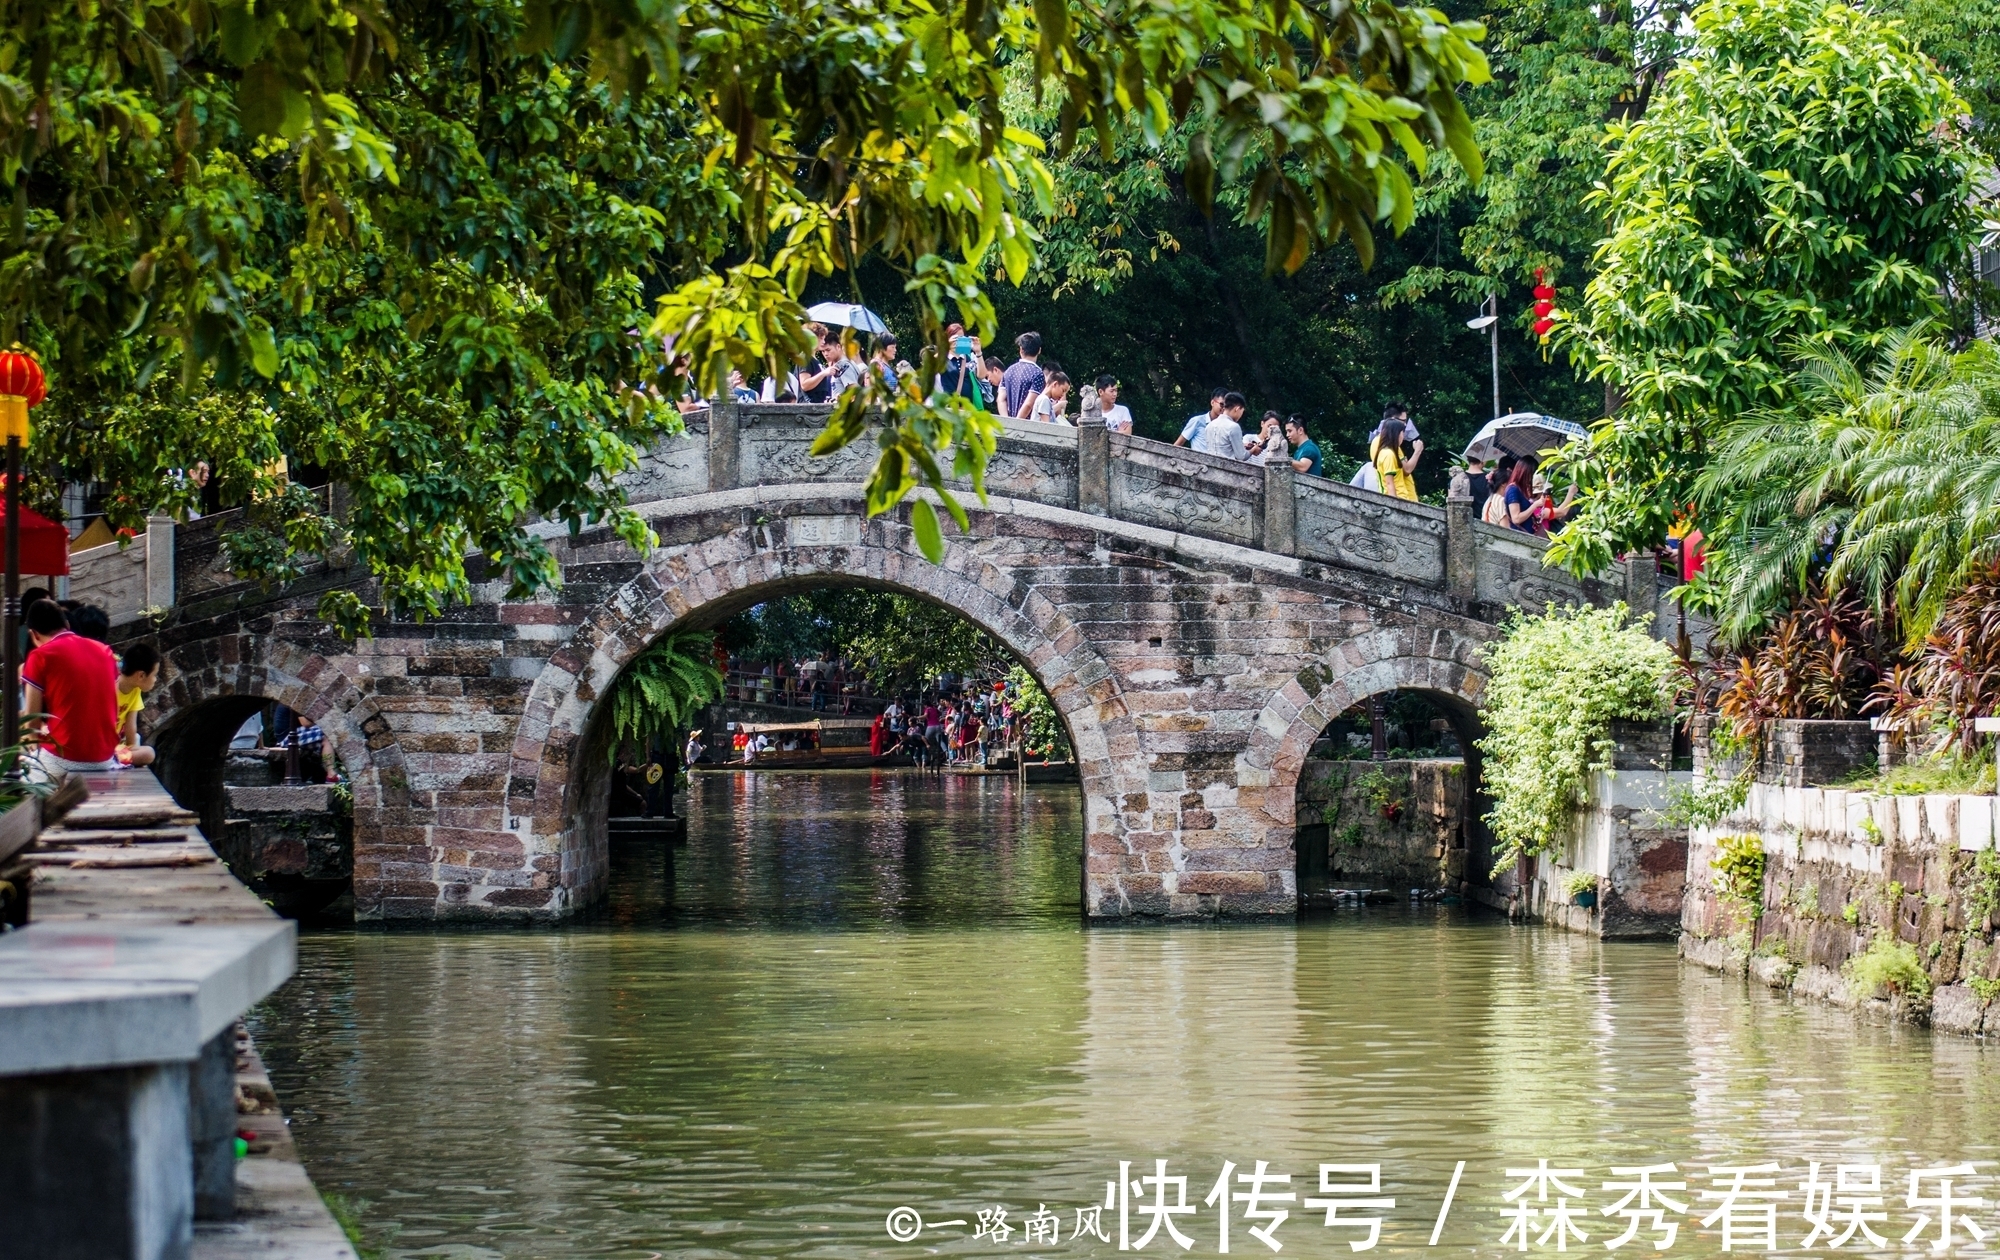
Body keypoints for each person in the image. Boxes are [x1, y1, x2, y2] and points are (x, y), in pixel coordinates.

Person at [22, 597, 121, 773]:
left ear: (34, 634)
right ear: (67, 625)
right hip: (106, 756)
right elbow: (115, 708)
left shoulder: (40, 656)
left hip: (63, 758)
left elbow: (32, 721)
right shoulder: (104, 651)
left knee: (15, 770)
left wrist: (32, 749)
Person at [113, 642, 162, 767]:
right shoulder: (111, 689)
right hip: (101, 748)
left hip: (115, 747)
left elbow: (131, 727)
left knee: (138, 740)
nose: (155, 680)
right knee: (149, 754)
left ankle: (117, 759)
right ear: (141, 675)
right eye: (154, 675)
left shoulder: (135, 690)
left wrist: (131, 748)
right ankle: (113, 759)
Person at [1000, 332, 1046, 419]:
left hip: (1008, 425)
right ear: (1039, 350)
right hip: (1027, 426)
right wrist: (1017, 423)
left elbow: (1001, 399)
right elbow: (1029, 404)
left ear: (1021, 349)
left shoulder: (1009, 371)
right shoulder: (1038, 374)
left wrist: (1007, 422)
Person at [1373, 417, 1419, 501]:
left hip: (1400, 499)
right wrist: (1394, 505)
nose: (1403, 436)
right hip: (1398, 498)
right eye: (1402, 433)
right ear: (1396, 434)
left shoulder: (1385, 452)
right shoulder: (1389, 454)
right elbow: (1389, 483)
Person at [1195, 393, 1249, 460]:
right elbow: (1241, 456)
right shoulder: (1234, 427)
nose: (1241, 415)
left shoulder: (1209, 425)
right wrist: (1253, 450)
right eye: (1242, 412)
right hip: (1227, 468)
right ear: (1237, 409)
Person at [1500, 457, 1543, 533]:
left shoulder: (1520, 489)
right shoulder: (1513, 490)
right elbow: (1516, 519)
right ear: (1526, 473)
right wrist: (1535, 505)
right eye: (1533, 474)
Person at [1374, 402, 1424, 467]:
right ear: (1393, 420)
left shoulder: (1380, 440)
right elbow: (1407, 469)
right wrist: (1418, 451)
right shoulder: (1389, 445)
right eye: (1403, 421)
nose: (1405, 424)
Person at [1480, 455, 1518, 526]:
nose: (1512, 485)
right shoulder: (1501, 500)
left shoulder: (1490, 498)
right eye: (1510, 482)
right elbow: (1505, 529)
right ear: (1503, 483)